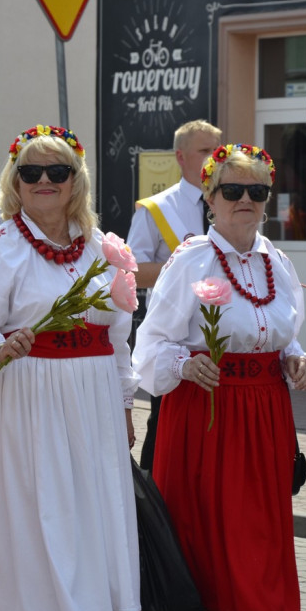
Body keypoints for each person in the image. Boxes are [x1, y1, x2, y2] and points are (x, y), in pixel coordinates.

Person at [0, 124, 142, 611]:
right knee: (37, 524)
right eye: (31, 172)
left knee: (87, 525)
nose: (45, 181)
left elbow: (119, 333)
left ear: (77, 181)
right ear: (15, 181)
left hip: (93, 404)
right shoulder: (0, 248)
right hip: (27, 404)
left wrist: (126, 402)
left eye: (59, 171)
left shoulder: (102, 246)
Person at [133, 144, 306, 611]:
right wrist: (185, 365)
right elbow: (150, 345)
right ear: (210, 198)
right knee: (197, 529)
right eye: (232, 190)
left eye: (256, 191)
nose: (245, 201)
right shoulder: (191, 258)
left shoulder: (277, 261)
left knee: (263, 535)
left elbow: (284, 332)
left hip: (265, 414)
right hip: (204, 412)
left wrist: (293, 358)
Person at [126, 119, 221, 471]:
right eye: (206, 150)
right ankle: (155, 505)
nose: (216, 158)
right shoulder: (158, 208)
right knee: (164, 421)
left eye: (218, 149)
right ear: (181, 157)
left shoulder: (232, 202)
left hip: (224, 334)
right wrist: (184, 270)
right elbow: (132, 268)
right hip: (176, 337)